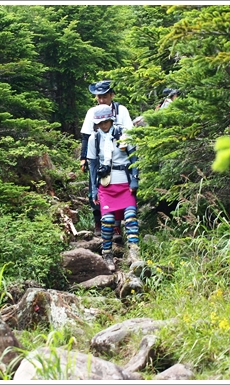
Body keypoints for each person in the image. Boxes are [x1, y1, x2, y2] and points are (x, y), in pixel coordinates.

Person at [86, 104, 140, 272]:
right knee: (107, 221)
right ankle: (107, 253)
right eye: (100, 123)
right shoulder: (93, 139)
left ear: (111, 120)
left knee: (131, 217)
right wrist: (93, 189)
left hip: (124, 180)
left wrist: (135, 180)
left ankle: (134, 252)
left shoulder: (123, 134)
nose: (103, 125)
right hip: (106, 183)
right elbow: (93, 165)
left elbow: (134, 158)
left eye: (106, 122)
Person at [79, 80, 133, 237]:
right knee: (95, 189)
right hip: (97, 155)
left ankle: (116, 225)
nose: (101, 100)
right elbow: (86, 135)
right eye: (99, 97)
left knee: (118, 189)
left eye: (104, 96)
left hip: (119, 157)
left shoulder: (121, 111)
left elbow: (130, 132)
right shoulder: (91, 112)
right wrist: (83, 157)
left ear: (111, 95)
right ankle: (98, 222)